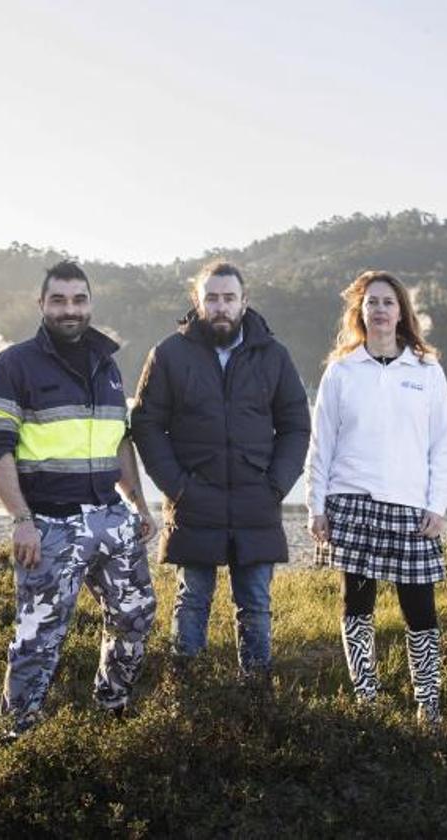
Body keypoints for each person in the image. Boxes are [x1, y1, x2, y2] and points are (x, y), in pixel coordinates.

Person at [0, 260, 158, 743]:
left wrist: (138, 505)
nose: (69, 309)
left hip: (112, 518)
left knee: (135, 617)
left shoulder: (108, 363)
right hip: (50, 525)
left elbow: (120, 441)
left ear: (90, 304)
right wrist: (20, 519)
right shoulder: (14, 365)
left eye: (79, 299)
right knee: (39, 638)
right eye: (58, 300)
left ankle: (112, 705)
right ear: (41, 305)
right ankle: (18, 736)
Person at [130, 260, 311, 677]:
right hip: (194, 500)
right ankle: (186, 692)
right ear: (197, 301)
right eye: (212, 298)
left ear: (244, 302)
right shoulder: (169, 354)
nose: (221, 306)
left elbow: (297, 425)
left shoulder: (274, 356)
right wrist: (177, 487)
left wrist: (276, 485)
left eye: (229, 298)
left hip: (256, 500)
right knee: (192, 600)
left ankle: (256, 698)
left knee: (256, 605)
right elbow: (146, 424)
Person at [305, 270, 447, 723]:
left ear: (402, 311)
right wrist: (316, 506)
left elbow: (442, 445)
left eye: (388, 302)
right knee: (357, 606)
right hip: (350, 502)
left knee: (420, 609)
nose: (380, 310)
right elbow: (321, 443)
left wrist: (437, 505)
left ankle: (428, 706)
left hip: (410, 507)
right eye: (372, 302)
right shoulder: (342, 371)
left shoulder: (427, 371)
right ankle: (366, 700)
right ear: (360, 312)